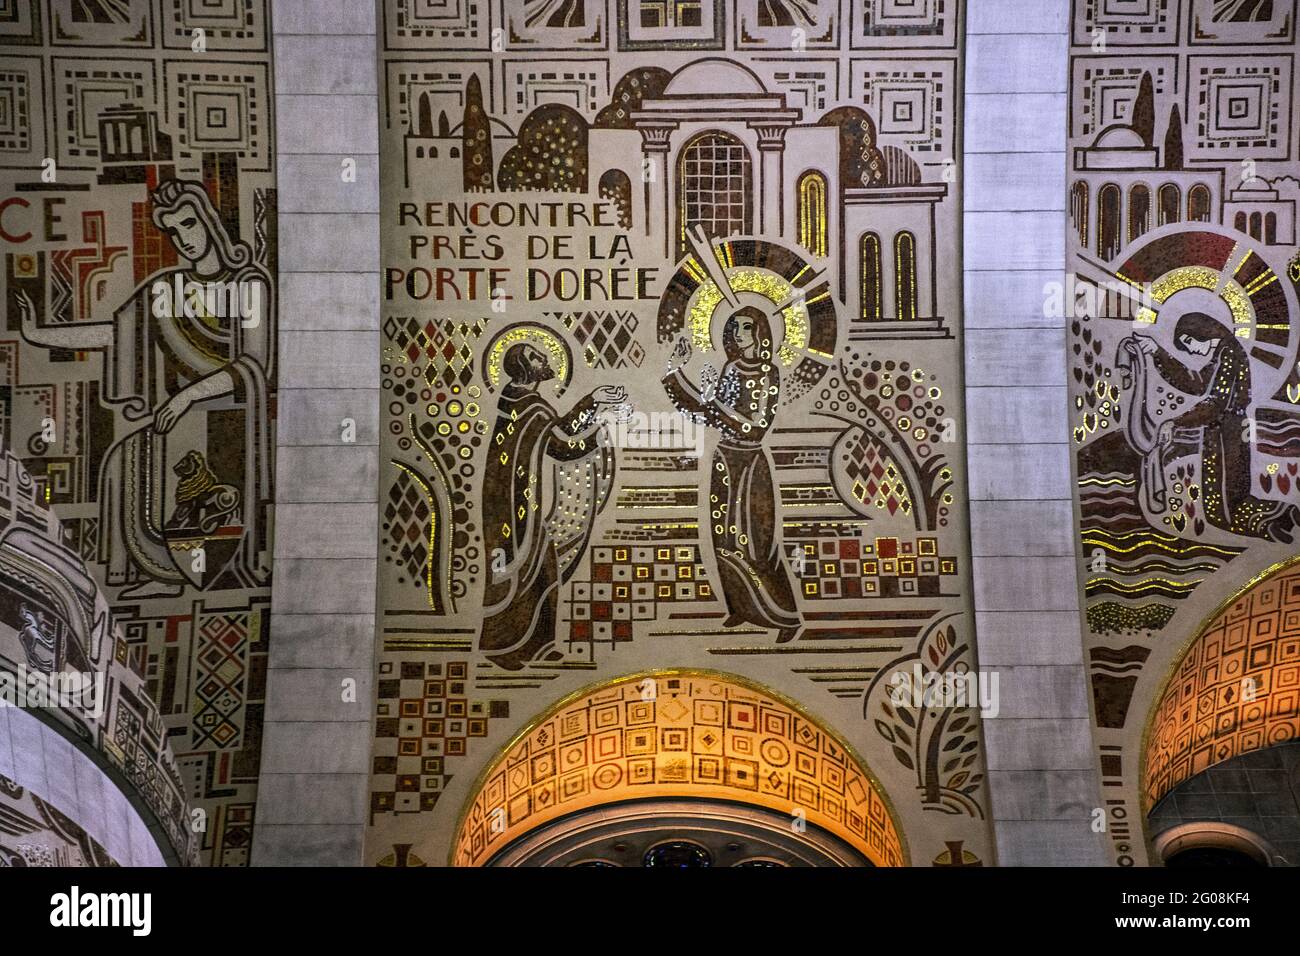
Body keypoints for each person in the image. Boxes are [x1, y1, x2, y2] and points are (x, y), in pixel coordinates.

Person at [15, 179, 274, 595]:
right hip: (177, 415)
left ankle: (207, 570)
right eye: (174, 231)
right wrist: (39, 334)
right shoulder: (166, 290)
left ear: (209, 223)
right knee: (122, 460)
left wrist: (189, 394)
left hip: (229, 415)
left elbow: (253, 364)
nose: (184, 239)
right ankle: (160, 575)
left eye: (189, 224)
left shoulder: (249, 284)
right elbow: (116, 334)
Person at [479, 342, 624, 670]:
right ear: (522, 367)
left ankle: (536, 645)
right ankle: (503, 646)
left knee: (542, 570)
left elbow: (556, 434)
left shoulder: (522, 401)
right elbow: (562, 445)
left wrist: (592, 402)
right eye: (535, 356)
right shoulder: (528, 405)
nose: (543, 359)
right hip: (510, 507)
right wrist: (597, 428)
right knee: (517, 570)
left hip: (517, 502)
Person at [662, 306, 802, 641]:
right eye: (734, 328)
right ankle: (740, 606)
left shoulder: (769, 373)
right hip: (725, 462)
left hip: (751, 466)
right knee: (723, 539)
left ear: (760, 333)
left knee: (756, 542)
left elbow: (756, 429)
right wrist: (674, 370)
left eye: (747, 328)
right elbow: (707, 414)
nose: (739, 334)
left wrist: (716, 406)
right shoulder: (731, 367)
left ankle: (785, 617)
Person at [1136, 311, 1299, 542]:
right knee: (1231, 499)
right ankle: (1279, 516)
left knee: (1221, 508)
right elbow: (1198, 383)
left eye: (1189, 342)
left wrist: (1176, 422)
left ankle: (1268, 525)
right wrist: (1157, 353)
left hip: (1226, 434)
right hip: (1226, 431)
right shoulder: (1224, 352)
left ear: (1202, 331)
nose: (1191, 350)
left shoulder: (1230, 352)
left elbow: (1215, 403)